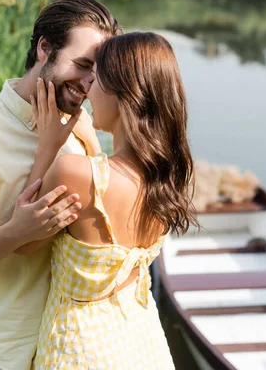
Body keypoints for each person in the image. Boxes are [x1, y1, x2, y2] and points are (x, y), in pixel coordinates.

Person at [0, 0, 121, 370]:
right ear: (44, 48)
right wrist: (16, 232)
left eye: (96, 74)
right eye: (81, 65)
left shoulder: (84, 126)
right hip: (7, 349)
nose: (88, 84)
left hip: (77, 345)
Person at [17, 31, 198, 369]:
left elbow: (23, 242)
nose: (87, 91)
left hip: (82, 350)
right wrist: (94, 141)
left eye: (96, 79)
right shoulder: (167, 176)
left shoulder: (74, 172)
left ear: (123, 95)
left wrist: (47, 147)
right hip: (142, 343)